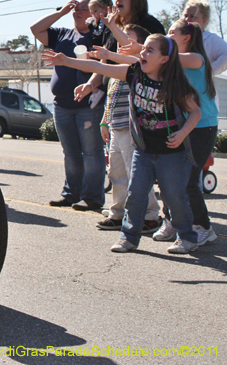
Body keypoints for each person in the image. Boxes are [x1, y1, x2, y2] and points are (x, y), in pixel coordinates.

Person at [43, 34, 202, 254]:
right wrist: (67, 60)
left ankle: (187, 237)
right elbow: (97, 66)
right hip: (143, 150)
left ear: (164, 59)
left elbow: (195, 112)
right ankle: (128, 238)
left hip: (171, 152)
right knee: (135, 194)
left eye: (149, 50)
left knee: (175, 197)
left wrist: (183, 133)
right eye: (143, 49)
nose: (142, 53)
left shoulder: (174, 84)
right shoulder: (134, 73)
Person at [31, 0, 106, 211]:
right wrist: (61, 12)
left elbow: (104, 67)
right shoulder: (63, 33)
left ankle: (92, 197)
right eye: (76, 9)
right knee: (70, 152)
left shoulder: (98, 36)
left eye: (84, 9)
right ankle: (71, 194)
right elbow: (35, 29)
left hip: (88, 105)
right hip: (62, 105)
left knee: (92, 153)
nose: (78, 12)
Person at [95, 22, 162, 233]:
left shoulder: (139, 68)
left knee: (137, 175)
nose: (122, 43)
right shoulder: (117, 72)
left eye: (128, 39)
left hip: (132, 129)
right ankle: (118, 212)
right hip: (116, 127)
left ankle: (151, 215)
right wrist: (105, 121)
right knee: (116, 173)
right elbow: (110, 99)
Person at [155, 20, 217, 246]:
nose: (168, 35)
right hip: (178, 125)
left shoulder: (196, 58)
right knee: (167, 177)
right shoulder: (171, 64)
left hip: (202, 127)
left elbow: (161, 54)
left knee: (189, 180)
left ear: (186, 38)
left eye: (172, 32)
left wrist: (143, 47)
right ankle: (171, 221)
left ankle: (204, 227)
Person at [181, 0, 227, 75]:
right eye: (185, 15)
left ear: (204, 20)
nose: (187, 19)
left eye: (193, 16)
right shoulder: (177, 36)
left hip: (197, 86)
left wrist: (209, 73)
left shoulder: (209, 39)